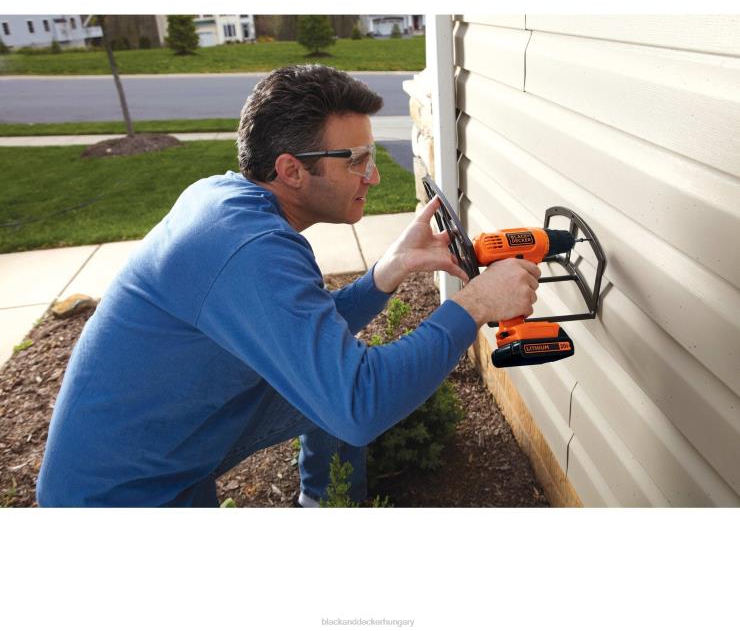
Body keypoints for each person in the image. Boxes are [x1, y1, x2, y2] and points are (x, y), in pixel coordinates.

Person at [37, 65, 540, 507]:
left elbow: (299, 335)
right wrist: (474, 304)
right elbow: (359, 404)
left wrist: (388, 270)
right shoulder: (251, 249)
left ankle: (323, 503)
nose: (373, 177)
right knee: (342, 394)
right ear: (291, 170)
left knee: (324, 383)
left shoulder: (226, 200)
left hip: (164, 455)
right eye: (357, 160)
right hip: (118, 498)